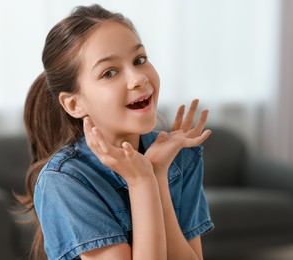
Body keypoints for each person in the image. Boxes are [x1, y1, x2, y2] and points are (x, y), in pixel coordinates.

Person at [18, 4, 214, 260]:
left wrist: (157, 174)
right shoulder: (65, 181)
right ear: (74, 104)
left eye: (139, 60)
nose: (138, 78)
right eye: (109, 72)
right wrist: (142, 181)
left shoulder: (178, 157)